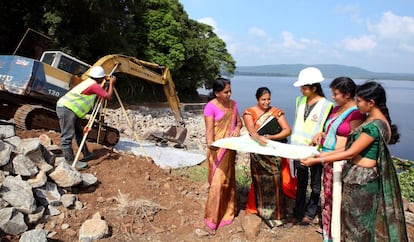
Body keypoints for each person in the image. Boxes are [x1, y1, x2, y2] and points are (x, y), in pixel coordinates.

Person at [301, 81, 408, 241]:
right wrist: (319, 156)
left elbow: (350, 152)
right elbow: (349, 148)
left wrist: (318, 159)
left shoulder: (374, 126)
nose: (356, 105)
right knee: (353, 222)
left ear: (371, 103)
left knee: (358, 225)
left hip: (362, 179)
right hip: (357, 177)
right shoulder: (372, 121)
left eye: (359, 101)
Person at [310, 77, 365, 241]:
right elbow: (331, 130)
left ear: (347, 95)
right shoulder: (336, 109)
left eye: (336, 94)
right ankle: (329, 231)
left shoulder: (355, 113)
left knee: (338, 197)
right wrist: (321, 134)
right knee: (327, 196)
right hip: (327, 158)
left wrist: (327, 155)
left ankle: (339, 233)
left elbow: (352, 144)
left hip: (340, 161)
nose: (332, 97)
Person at [287, 67, 334, 227]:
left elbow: (327, 130)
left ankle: (310, 213)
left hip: (315, 152)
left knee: (315, 184)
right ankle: (297, 212)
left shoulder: (327, 105)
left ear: (315, 88)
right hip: (298, 149)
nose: (302, 90)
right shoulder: (299, 101)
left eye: (304, 88)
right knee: (300, 182)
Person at [243, 87, 292, 227]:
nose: (266, 102)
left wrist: (272, 137)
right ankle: (261, 211)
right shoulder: (249, 112)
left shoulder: (276, 112)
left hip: (273, 152)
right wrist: (260, 139)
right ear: (257, 99)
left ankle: (277, 215)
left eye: (268, 99)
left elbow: (287, 130)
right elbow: (252, 132)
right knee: (260, 181)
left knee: (276, 181)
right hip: (258, 153)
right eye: (263, 99)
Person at [202, 77, 242, 235]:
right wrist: (213, 144)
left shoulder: (234, 105)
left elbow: (239, 122)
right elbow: (209, 132)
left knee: (228, 181)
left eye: (230, 91)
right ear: (217, 93)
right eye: (226, 92)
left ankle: (227, 213)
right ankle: (211, 220)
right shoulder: (210, 107)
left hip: (230, 150)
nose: (229, 94)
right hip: (218, 151)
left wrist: (237, 129)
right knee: (217, 184)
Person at [56, 66, 116, 169]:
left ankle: (86, 154)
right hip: (67, 109)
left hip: (71, 110)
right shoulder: (93, 85)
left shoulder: (89, 82)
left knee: (79, 133)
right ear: (100, 78)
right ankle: (70, 162)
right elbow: (108, 96)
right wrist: (111, 83)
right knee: (67, 136)